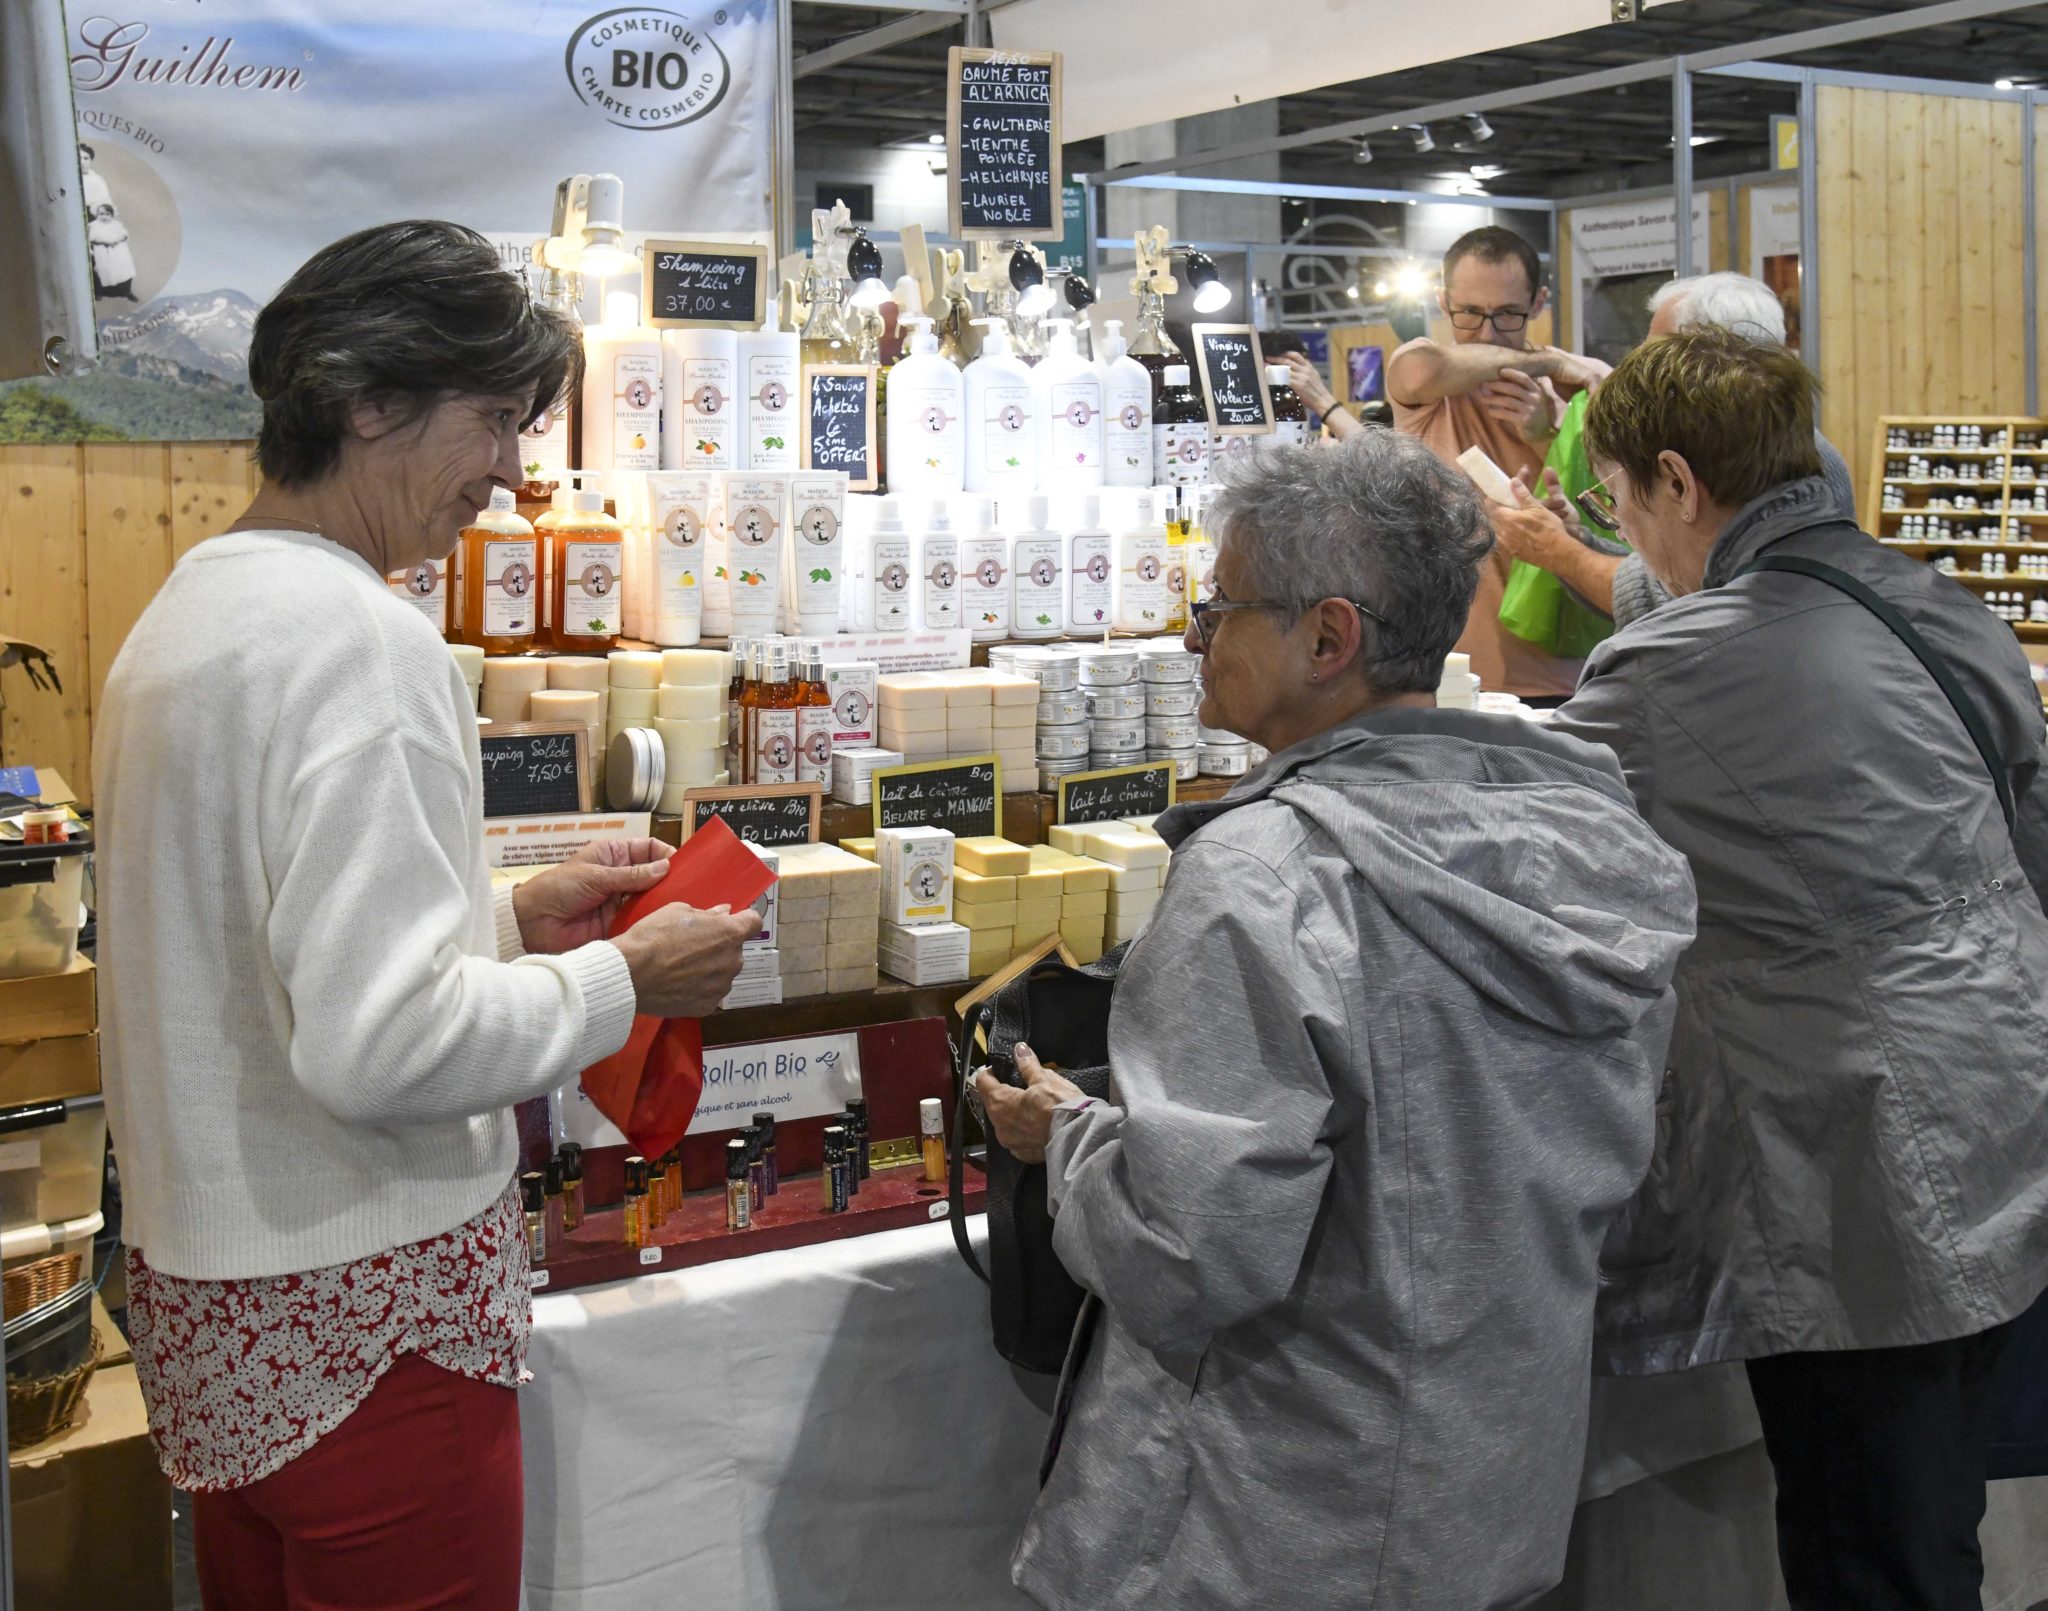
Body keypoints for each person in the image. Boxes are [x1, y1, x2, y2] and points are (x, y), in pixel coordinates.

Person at [94, 220, 759, 1611]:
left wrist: (505, 921)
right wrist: (625, 979)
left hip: (218, 1309)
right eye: (495, 418)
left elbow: (253, 945)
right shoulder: (365, 639)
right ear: (368, 399)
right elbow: (384, 1047)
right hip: (366, 1321)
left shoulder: (186, 613)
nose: (511, 471)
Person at [976, 432, 1697, 1610]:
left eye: (1219, 608)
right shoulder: (1584, 832)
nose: (1194, 638)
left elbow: (1188, 1256)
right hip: (1489, 1475)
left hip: (1278, 1508)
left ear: (1326, 638)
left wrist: (1069, 1141)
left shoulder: (1265, 875)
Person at [1549, 327, 2048, 1610]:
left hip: (1856, 1159)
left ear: (1674, 482)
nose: (1623, 533)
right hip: (2002, 1095)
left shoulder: (1662, 670)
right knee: (1928, 1511)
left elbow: (1533, 866)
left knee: (1866, 1541)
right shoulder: (1932, 601)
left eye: (1616, 502)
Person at [1488, 271, 1857, 626]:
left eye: (1658, 355)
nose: (1640, 368)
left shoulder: (1787, 455)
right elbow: (1668, 572)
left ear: (1718, 360)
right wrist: (1577, 538)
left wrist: (1557, 550)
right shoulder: (1728, 441)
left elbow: (1681, 602)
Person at [1369, 226, 1606, 700]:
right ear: (1443, 302)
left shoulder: (1587, 382)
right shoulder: (1431, 375)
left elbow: (1617, 508)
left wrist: (1544, 436)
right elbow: (1419, 369)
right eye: (1470, 313)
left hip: (1563, 667)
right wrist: (1548, 364)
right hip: (1440, 669)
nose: (1487, 332)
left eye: (1508, 314)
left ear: (1538, 303)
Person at [88, 201, 137, 303]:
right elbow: (91, 239)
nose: (104, 217)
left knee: (124, 270)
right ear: (97, 215)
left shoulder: (116, 225)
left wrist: (117, 241)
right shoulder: (94, 225)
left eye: (107, 214)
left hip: (118, 250)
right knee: (103, 271)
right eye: (101, 214)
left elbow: (124, 235)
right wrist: (104, 242)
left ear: (112, 215)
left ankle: (126, 291)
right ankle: (99, 292)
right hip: (102, 251)